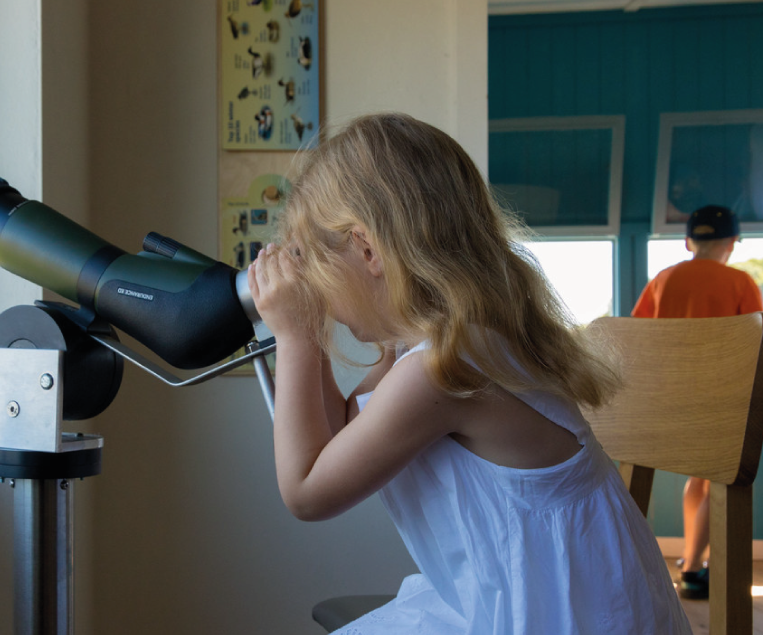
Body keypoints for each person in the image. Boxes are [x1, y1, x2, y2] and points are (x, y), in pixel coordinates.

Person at [247, 113, 692, 634]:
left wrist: (297, 337)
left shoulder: (440, 370)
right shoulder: (441, 344)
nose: (317, 292)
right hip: (517, 601)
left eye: (320, 269)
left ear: (368, 250)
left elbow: (307, 492)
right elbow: (341, 433)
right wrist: (308, 332)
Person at [632, 204, 763, 600]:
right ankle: (692, 570)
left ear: (690, 241)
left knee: (699, 481)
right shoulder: (739, 282)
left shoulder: (663, 279)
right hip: (718, 399)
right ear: (732, 242)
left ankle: (691, 561)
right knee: (716, 481)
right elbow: (754, 346)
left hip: (666, 400)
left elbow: (638, 337)